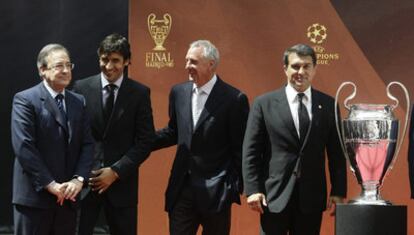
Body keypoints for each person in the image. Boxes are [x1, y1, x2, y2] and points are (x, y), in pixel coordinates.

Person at [242, 44, 347, 235]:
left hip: (311, 198)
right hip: (273, 197)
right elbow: (251, 152)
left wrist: (338, 191)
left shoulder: (329, 105)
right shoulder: (263, 104)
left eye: (307, 66)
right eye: (295, 66)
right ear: (285, 69)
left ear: (315, 69)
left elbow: (337, 153)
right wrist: (252, 190)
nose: (301, 72)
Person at [152, 40, 249, 235]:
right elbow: (174, 132)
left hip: (217, 192)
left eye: (193, 62)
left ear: (211, 64)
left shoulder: (234, 99)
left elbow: (240, 147)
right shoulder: (179, 92)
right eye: (187, 61)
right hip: (182, 189)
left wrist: (234, 186)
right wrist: (141, 141)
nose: (187, 66)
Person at [72, 33, 155, 235]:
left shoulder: (139, 93)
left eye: (116, 60)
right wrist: (80, 174)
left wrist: (115, 171)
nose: (109, 66)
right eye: (104, 59)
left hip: (122, 186)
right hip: (85, 185)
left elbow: (145, 141)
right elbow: (74, 137)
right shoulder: (81, 88)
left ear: (127, 61)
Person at [11, 44, 94, 235]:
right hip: (35, 200)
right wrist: (51, 184)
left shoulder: (78, 101)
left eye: (68, 65)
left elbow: (88, 144)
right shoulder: (25, 100)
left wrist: (78, 180)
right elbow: (24, 147)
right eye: (59, 65)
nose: (66, 70)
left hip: (68, 200)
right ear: (42, 70)